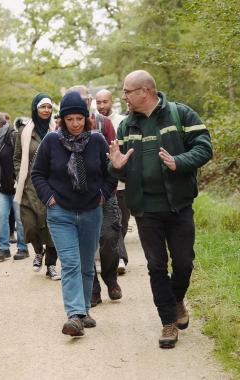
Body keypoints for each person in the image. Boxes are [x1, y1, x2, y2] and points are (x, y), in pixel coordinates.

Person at [108, 70, 212, 349]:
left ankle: (177, 299)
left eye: (128, 91)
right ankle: (168, 322)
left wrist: (180, 161)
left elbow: (205, 148)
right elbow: (118, 166)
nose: (124, 97)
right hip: (145, 209)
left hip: (178, 205)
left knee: (183, 262)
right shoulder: (126, 126)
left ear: (146, 91)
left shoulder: (181, 114)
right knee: (155, 266)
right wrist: (115, 166)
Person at [32, 91, 117, 337]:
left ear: (86, 118)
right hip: (61, 213)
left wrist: (103, 193)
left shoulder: (98, 141)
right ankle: (75, 315)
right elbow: (37, 174)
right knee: (70, 263)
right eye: (70, 119)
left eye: (80, 118)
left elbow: (111, 172)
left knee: (87, 263)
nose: (76, 124)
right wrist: (49, 198)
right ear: (63, 120)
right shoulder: (51, 141)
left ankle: (85, 310)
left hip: (91, 210)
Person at [67, 86, 122, 307]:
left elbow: (113, 159)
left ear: (90, 101)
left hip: (104, 194)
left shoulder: (104, 124)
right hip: (77, 198)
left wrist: (106, 191)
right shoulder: (61, 127)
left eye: (85, 99)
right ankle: (94, 289)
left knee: (109, 237)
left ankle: (110, 277)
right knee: (85, 246)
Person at [14, 93, 60, 279]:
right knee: (31, 225)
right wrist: (19, 176)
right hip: (29, 186)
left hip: (52, 185)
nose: (46, 110)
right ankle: (38, 251)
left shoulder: (56, 131)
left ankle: (50, 265)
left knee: (52, 227)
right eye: (42, 107)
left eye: (49, 107)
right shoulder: (24, 132)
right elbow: (17, 158)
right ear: (35, 108)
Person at [0, 111, 28, 261]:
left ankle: (23, 248)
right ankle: (4, 248)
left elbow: (22, 158)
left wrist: (19, 178)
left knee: (19, 218)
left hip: (16, 185)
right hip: (0, 185)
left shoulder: (13, 136)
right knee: (1, 216)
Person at [96, 89, 129, 275]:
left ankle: (113, 253)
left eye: (105, 102)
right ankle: (119, 259)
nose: (102, 106)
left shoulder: (121, 122)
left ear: (111, 102)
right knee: (112, 222)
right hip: (106, 184)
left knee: (122, 223)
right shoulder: (93, 121)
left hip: (123, 183)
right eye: (99, 102)